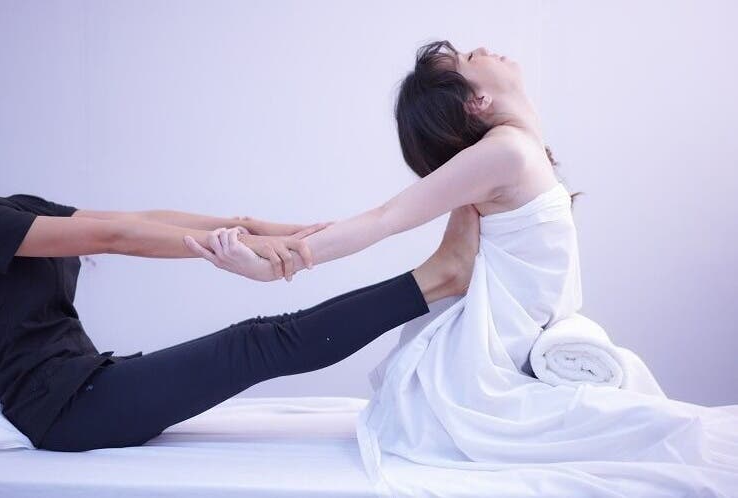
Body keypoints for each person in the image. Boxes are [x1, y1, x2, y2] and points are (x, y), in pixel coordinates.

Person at [189, 40, 738, 497]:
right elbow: (384, 219)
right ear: (477, 100)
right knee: (665, 434)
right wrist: (284, 262)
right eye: (470, 58)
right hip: (488, 352)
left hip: (521, 336)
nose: (484, 49)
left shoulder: (521, 149)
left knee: (654, 427)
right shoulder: (506, 153)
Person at [0, 116, 482, 451]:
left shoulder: (7, 209)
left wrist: (258, 226)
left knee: (259, 341)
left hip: (84, 388)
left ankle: (437, 275)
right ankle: (438, 277)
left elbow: (137, 218)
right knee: (258, 342)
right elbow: (117, 237)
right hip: (67, 410)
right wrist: (227, 249)